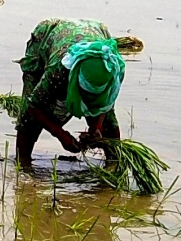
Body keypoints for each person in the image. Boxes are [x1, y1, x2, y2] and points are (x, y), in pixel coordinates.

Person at [16, 18, 125, 166]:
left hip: (95, 31)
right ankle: (22, 164)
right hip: (48, 36)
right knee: (29, 120)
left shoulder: (112, 69)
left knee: (108, 123)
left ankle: (114, 165)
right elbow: (33, 106)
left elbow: (106, 104)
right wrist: (61, 135)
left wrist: (97, 127)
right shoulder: (59, 71)